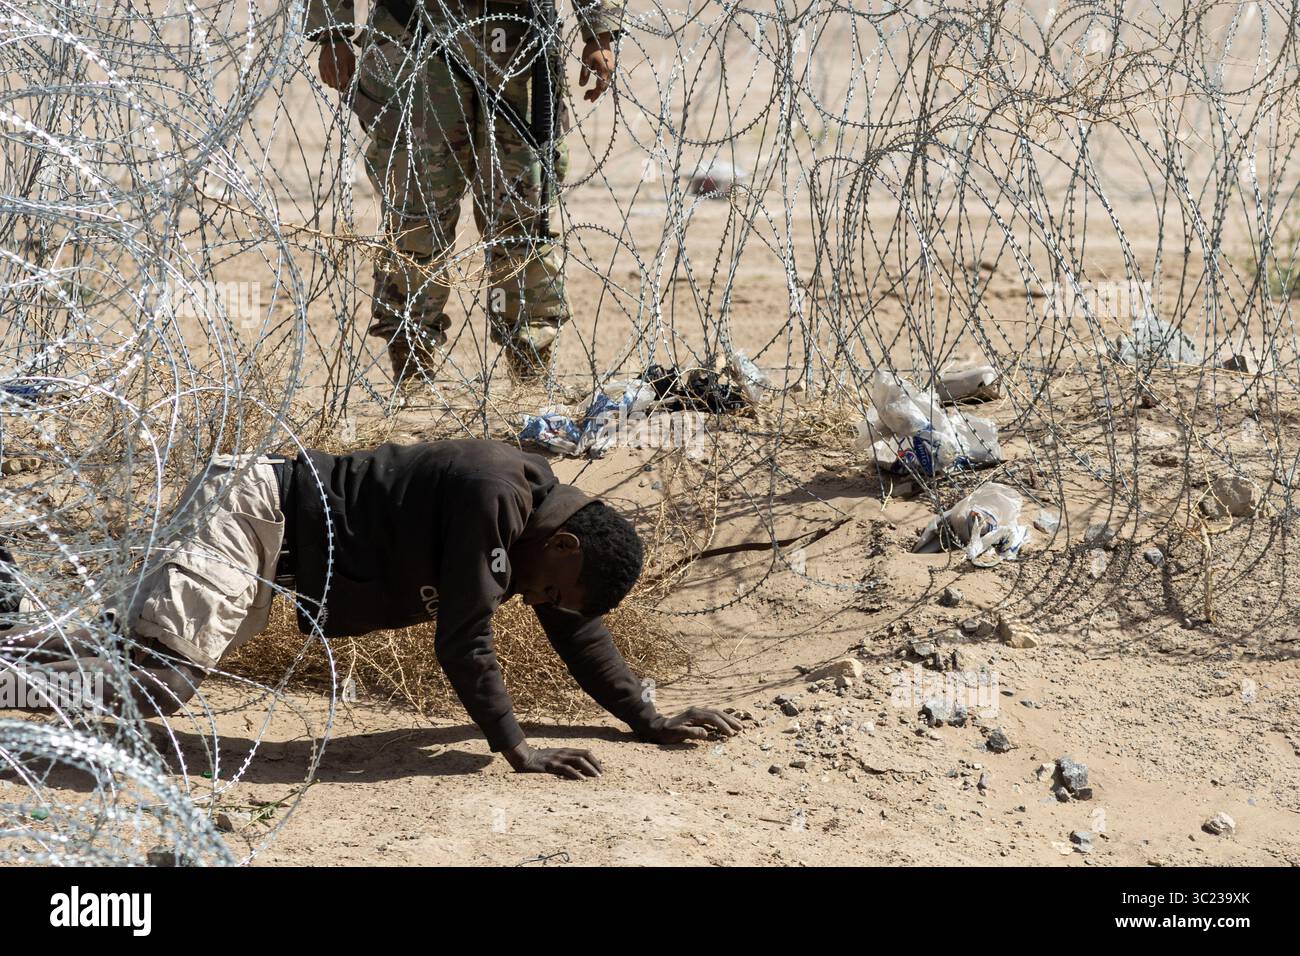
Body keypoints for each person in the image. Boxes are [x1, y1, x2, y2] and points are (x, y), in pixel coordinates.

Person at [0, 439, 742, 779]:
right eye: (546, 589)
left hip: (270, 556)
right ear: (567, 546)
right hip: (255, 522)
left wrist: (644, 715)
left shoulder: (533, 522)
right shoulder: (498, 496)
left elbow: (577, 626)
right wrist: (516, 747)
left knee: (130, 659)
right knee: (159, 685)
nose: (536, 603)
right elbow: (465, 641)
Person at [306, 0, 622, 384]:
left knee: (522, 214)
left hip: (518, 41)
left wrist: (599, 29)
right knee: (416, 213)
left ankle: (529, 373)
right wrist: (331, 31)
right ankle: (412, 370)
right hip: (414, 31)